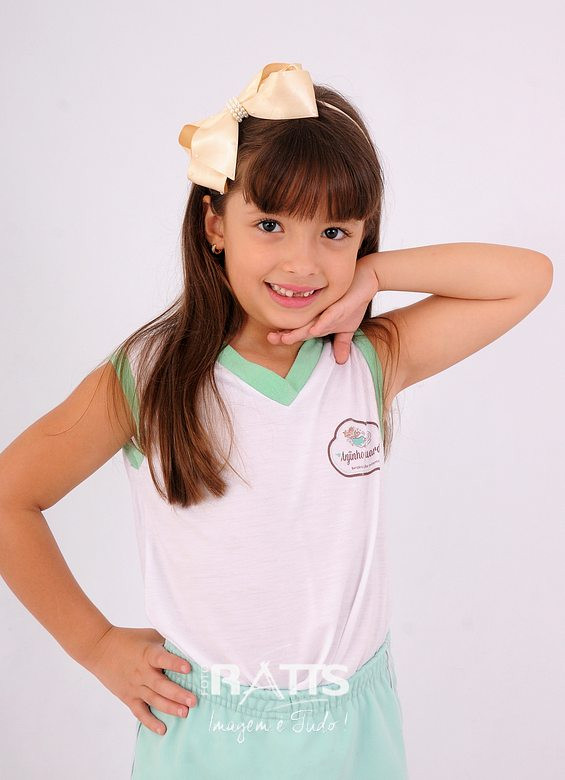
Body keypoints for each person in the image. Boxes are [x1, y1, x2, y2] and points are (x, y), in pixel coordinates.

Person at [0, 62, 553, 779]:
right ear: (215, 223)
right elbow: (11, 497)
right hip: (207, 729)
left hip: (351, 726)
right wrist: (96, 644)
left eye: (334, 231)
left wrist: (377, 274)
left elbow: (526, 277)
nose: (302, 262)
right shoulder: (148, 377)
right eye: (269, 224)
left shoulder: (366, 361)